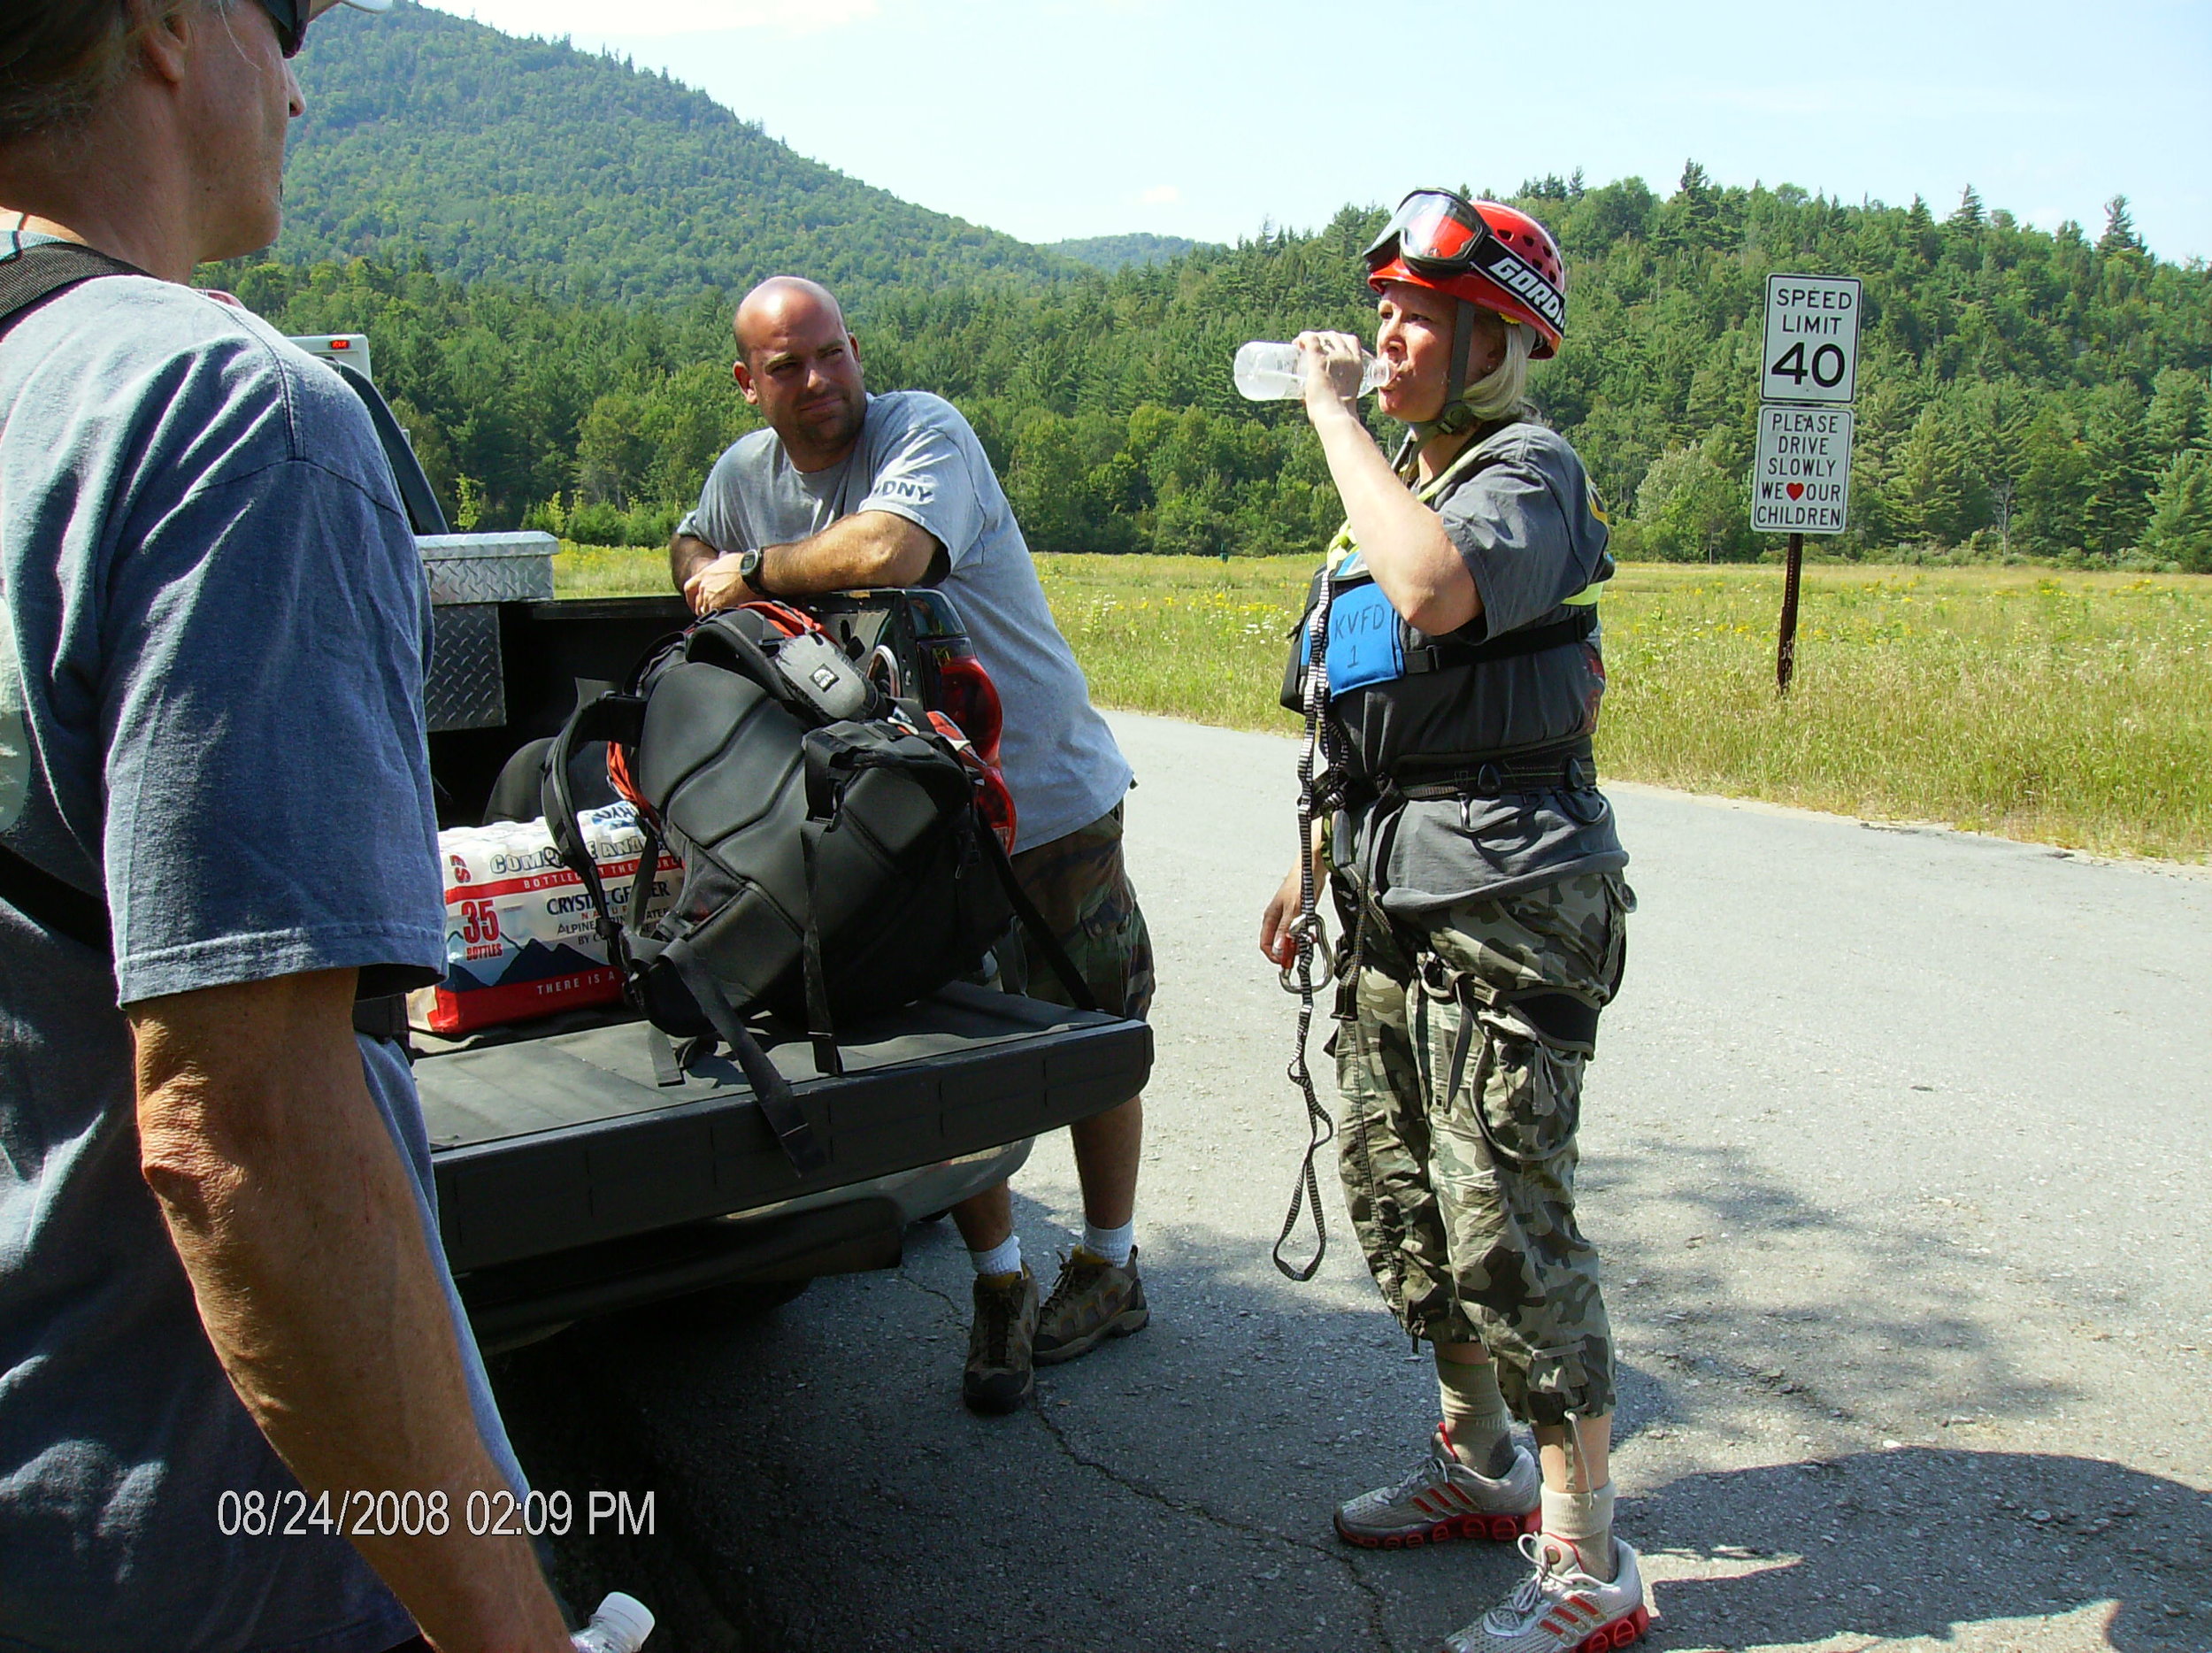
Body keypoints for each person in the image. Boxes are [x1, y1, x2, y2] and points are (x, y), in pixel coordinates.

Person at [0, 3, 574, 1649]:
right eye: (285, 22)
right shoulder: (220, 410)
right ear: (170, 29)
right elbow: (235, 1130)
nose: (304, 86)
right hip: (194, 1555)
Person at [1257, 191, 1645, 1653]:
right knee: (1402, 1196)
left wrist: (1333, 418)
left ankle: (1588, 1565)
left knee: (1505, 1222)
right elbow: (1354, 709)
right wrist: (1311, 862)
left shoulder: (1526, 473)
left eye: (1420, 314)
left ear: (1496, 338)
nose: (1386, 335)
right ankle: (1477, 1465)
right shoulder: (1395, 490)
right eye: (1385, 309)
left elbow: (1435, 589)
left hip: (1510, 911)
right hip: (1390, 898)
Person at [670, 276, 1153, 1416]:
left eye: (831, 353)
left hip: (1043, 795)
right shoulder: (748, 472)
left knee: (1093, 1031)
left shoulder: (922, 429)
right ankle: (998, 1280)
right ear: (750, 384)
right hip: (909, 831)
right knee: (946, 1048)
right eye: (787, 367)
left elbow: (891, 548)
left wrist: (751, 574)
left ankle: (1110, 1263)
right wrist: (703, 564)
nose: (819, 381)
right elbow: (696, 538)